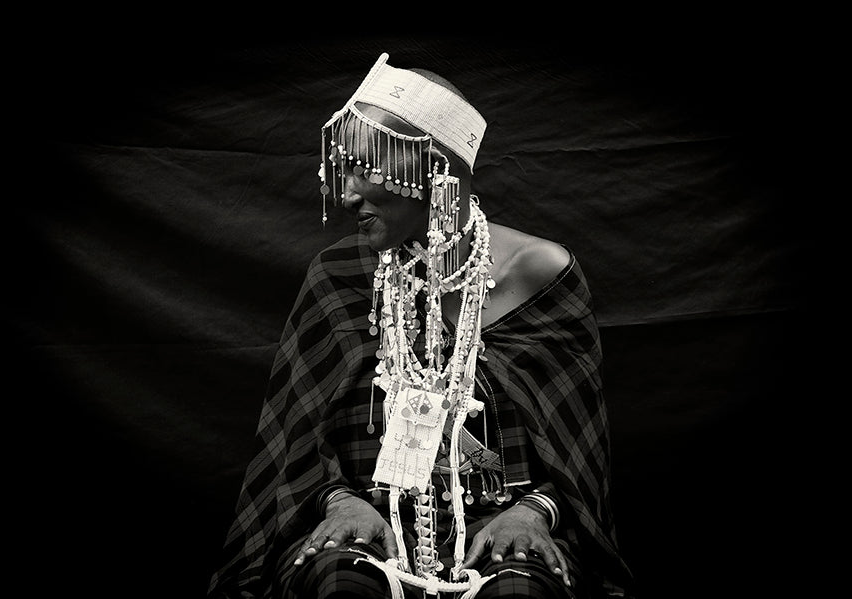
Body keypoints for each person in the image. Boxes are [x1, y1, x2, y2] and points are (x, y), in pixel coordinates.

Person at [208, 53, 634, 598]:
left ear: (433, 170)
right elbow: (298, 442)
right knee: (339, 584)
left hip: (504, 523)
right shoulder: (338, 277)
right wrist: (338, 499)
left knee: (521, 593)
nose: (347, 195)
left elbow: (578, 451)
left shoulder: (543, 275)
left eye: (366, 170)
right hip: (366, 523)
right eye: (344, 169)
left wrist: (534, 511)